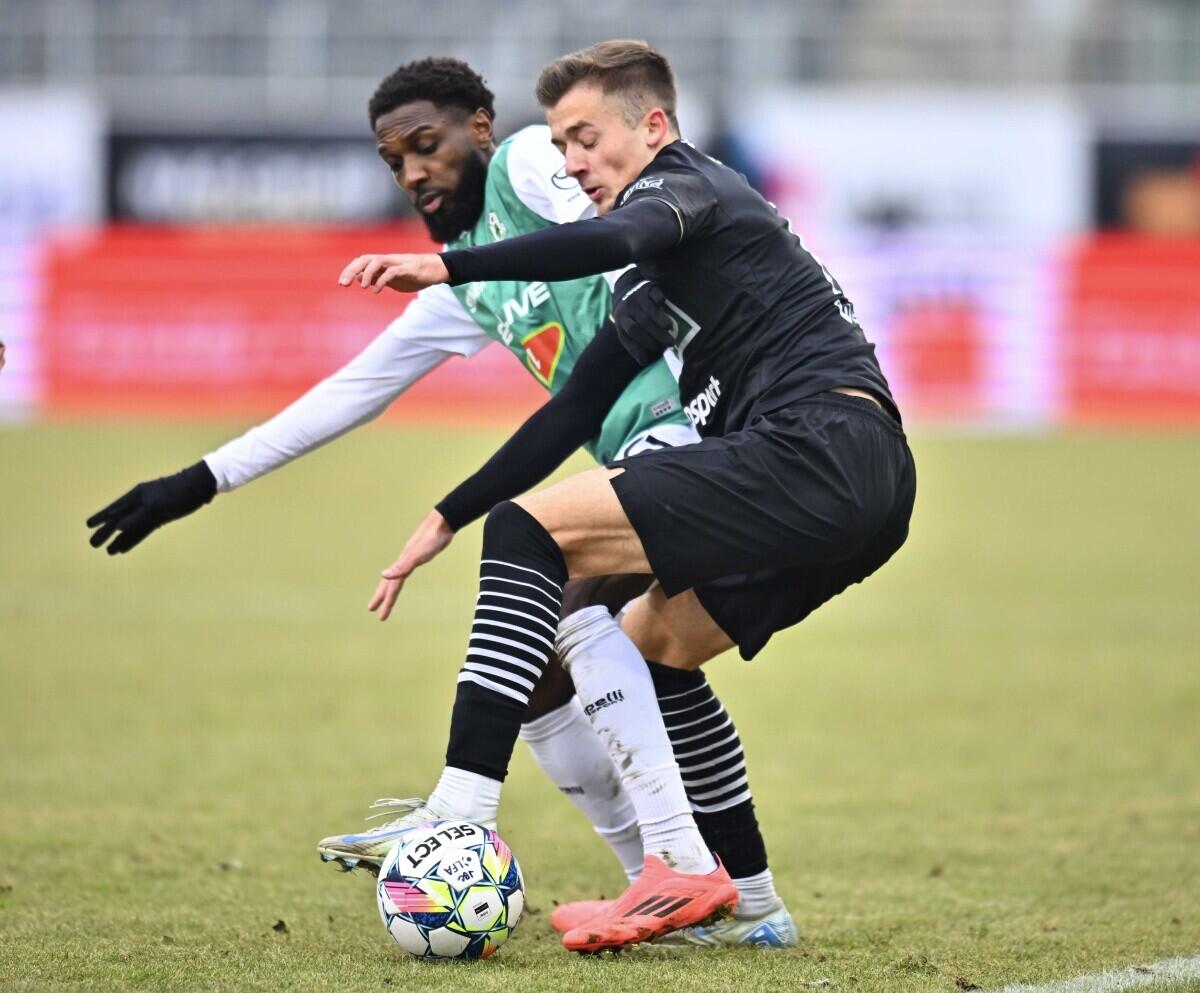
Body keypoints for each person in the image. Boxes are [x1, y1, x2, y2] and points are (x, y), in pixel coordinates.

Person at [85, 57, 795, 948]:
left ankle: (625, 855)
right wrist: (199, 480)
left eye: (427, 144)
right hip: (639, 461)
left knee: (574, 604)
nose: (414, 171)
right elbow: (351, 391)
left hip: (704, 433)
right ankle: (724, 901)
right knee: (539, 677)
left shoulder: (534, 159)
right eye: (395, 161)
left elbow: (614, 227)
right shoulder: (463, 287)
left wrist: (597, 289)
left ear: (482, 130)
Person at [339, 39, 916, 954]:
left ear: (652, 127)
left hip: (818, 444)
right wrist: (447, 514)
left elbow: (612, 236)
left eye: (584, 137)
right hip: (862, 480)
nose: (568, 162)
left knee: (533, 531)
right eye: (561, 143)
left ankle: (461, 809)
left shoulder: (683, 187)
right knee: (655, 644)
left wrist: (452, 268)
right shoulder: (662, 265)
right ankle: (751, 908)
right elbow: (576, 404)